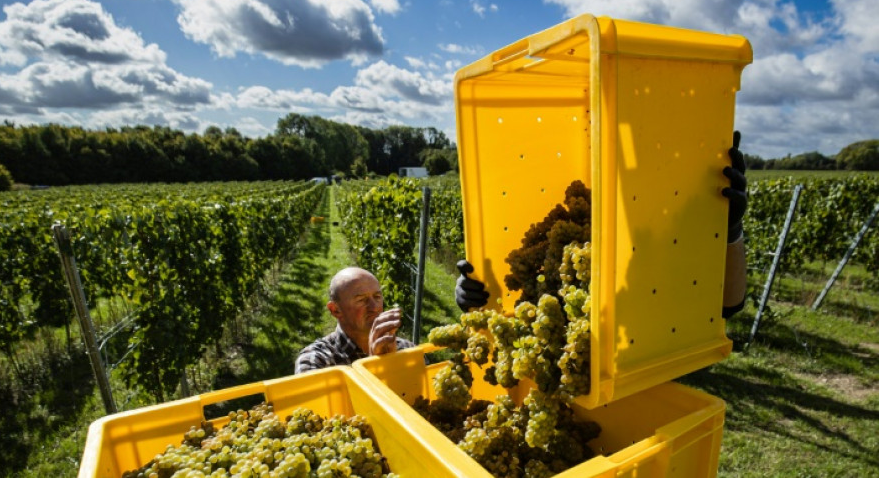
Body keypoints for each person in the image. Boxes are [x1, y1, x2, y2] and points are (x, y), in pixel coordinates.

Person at [456, 131, 749, 319]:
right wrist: (479, 295)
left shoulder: (663, 225)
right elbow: (528, 292)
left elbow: (728, 306)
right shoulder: (577, 224)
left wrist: (729, 232)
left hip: (643, 380)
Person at [294, 267, 415, 374]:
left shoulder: (406, 349)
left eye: (377, 297)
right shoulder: (317, 361)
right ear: (335, 310)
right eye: (361, 300)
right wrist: (375, 366)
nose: (374, 307)